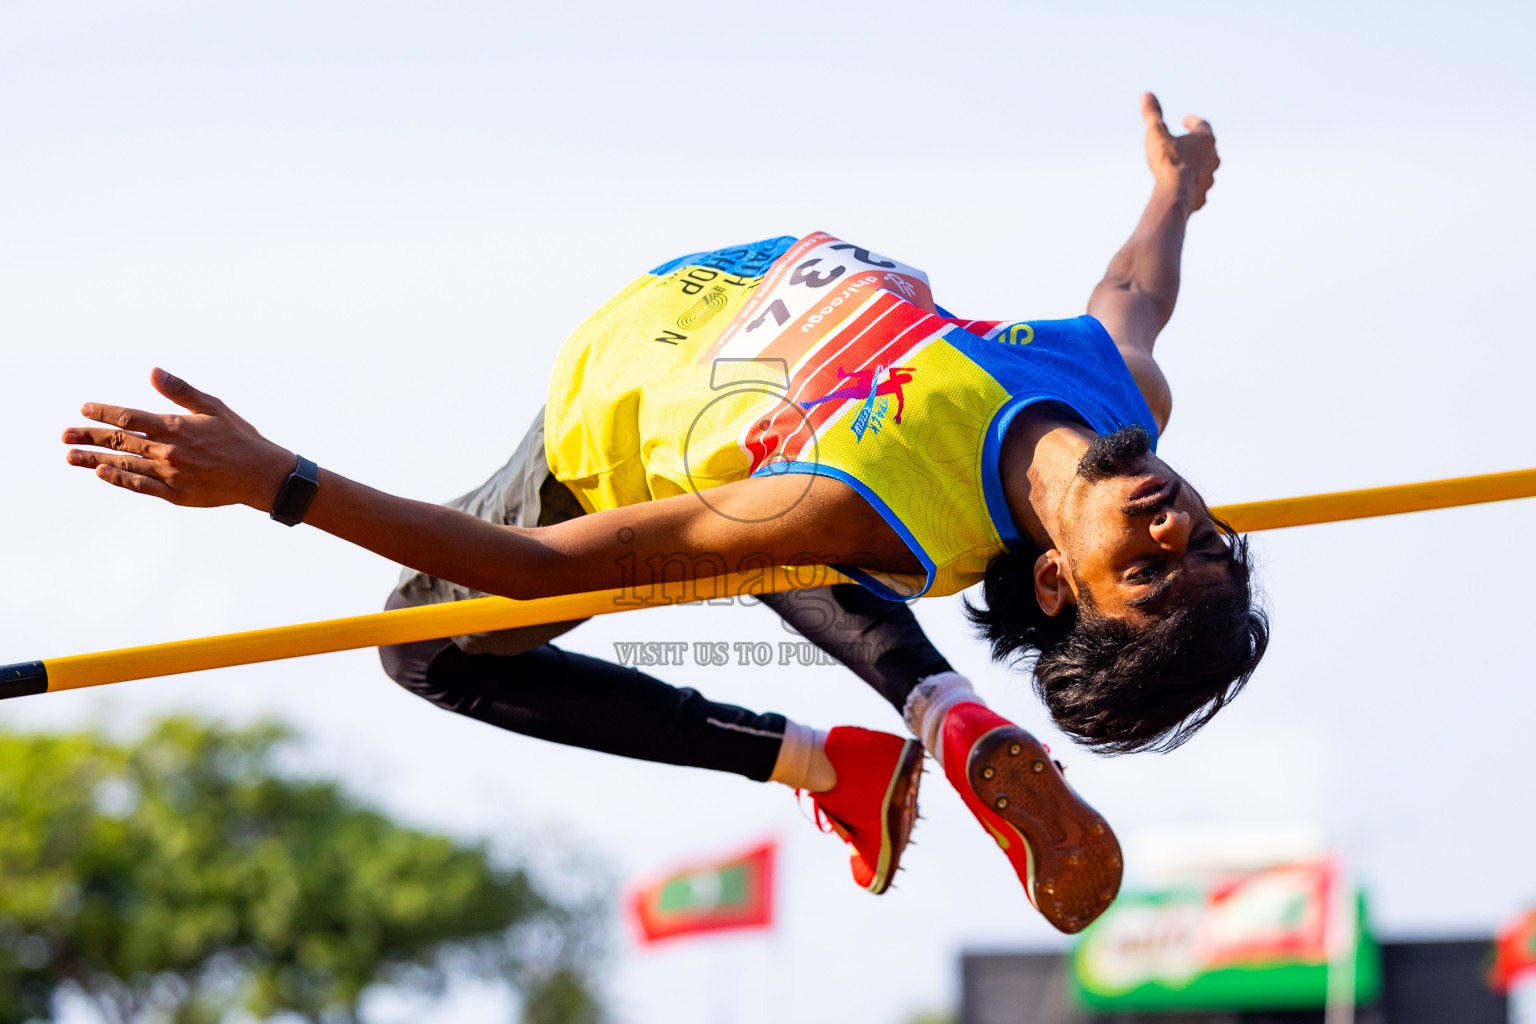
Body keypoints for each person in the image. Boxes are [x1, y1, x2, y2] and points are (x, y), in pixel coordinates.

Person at [61, 93, 1268, 934]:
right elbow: (1131, 292)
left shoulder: (841, 499)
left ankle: (872, 739)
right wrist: (1174, 195)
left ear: (1058, 581)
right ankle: (899, 728)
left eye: (1152, 573)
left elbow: (530, 565)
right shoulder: (1123, 389)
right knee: (801, 523)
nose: (1175, 528)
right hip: (737, 370)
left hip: (622, 411)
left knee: (423, 650)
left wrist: (280, 480)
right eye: (1204, 542)